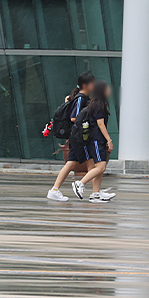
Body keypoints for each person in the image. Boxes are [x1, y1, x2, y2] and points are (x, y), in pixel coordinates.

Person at [48, 72, 96, 202]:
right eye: (92, 83)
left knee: (71, 164)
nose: (94, 85)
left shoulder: (83, 98)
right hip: (79, 137)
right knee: (91, 164)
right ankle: (96, 193)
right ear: (85, 85)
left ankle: (54, 190)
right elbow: (74, 117)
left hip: (75, 137)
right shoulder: (81, 98)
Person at [72, 80, 114, 203]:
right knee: (101, 167)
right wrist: (109, 140)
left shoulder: (96, 103)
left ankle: (96, 193)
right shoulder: (99, 104)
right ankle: (80, 183)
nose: (109, 91)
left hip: (96, 140)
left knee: (99, 167)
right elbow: (100, 124)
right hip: (96, 140)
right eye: (107, 89)